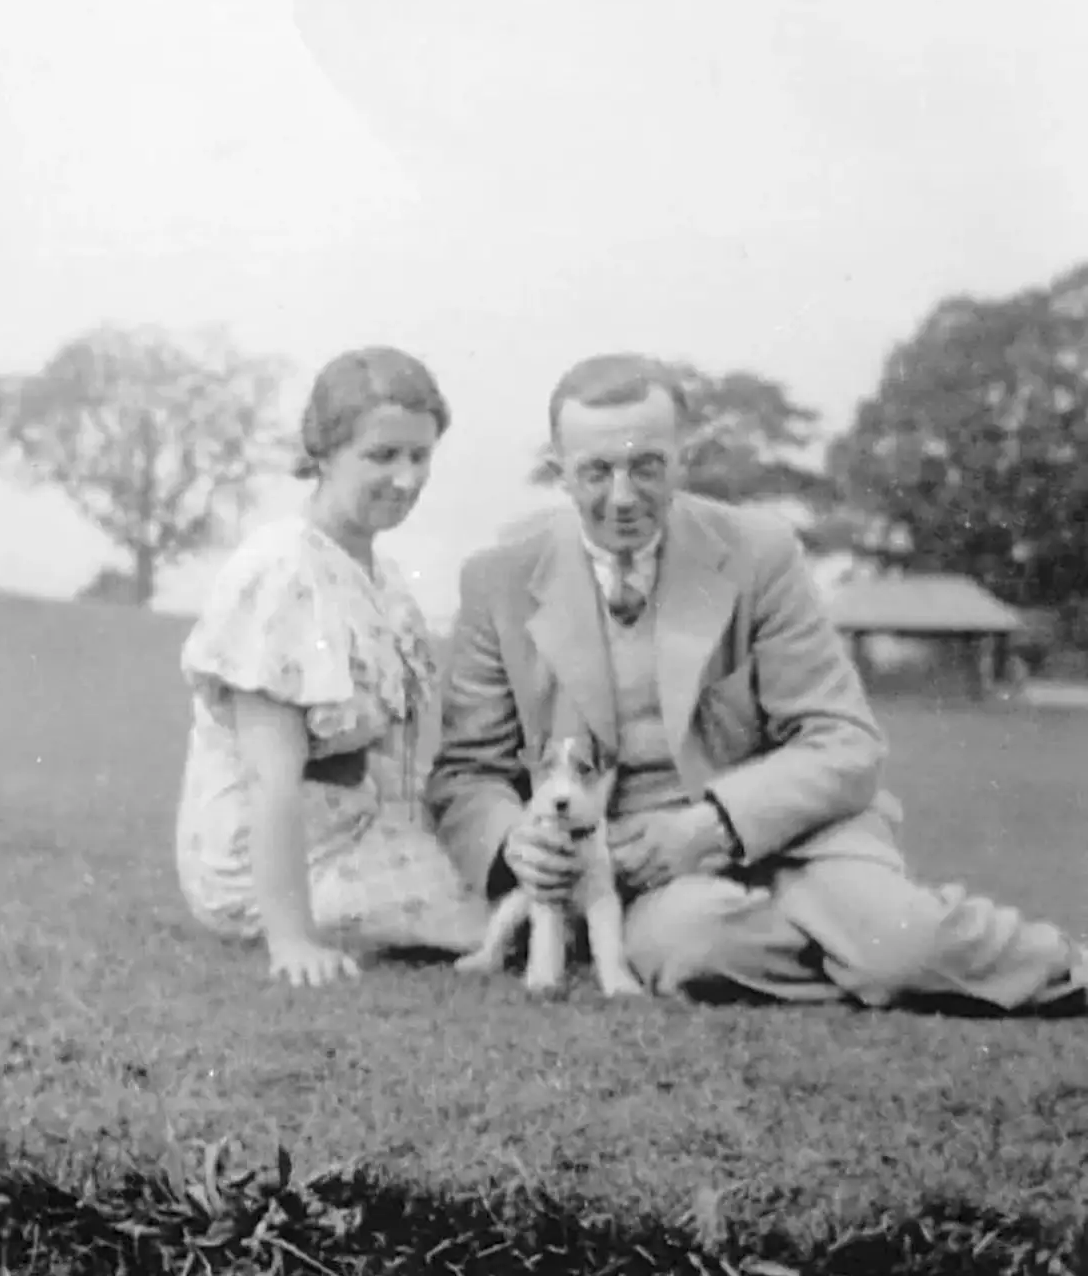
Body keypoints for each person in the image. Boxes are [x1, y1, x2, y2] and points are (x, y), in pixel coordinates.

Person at [426, 353, 1087, 1014]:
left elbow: (843, 741)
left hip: (803, 839)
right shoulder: (498, 581)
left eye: (646, 465)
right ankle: (873, 956)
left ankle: (1040, 963)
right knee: (693, 951)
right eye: (596, 471)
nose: (622, 496)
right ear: (559, 470)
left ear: (684, 457)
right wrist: (516, 843)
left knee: (898, 945)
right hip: (641, 877)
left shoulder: (759, 551)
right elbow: (467, 773)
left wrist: (711, 826)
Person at [175, 346, 488, 987]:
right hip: (263, 862)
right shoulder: (283, 571)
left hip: (361, 827)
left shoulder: (385, 580)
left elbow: (394, 764)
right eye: (381, 456)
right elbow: (270, 780)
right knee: (491, 916)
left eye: (419, 456)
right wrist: (293, 940)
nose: (405, 479)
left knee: (503, 860)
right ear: (323, 451)